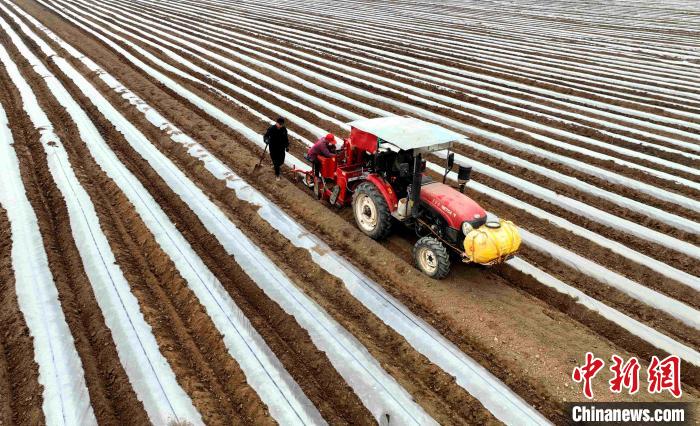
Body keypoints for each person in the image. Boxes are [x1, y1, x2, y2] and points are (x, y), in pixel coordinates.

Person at [263, 117, 289, 181]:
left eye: (281, 124)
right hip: (273, 147)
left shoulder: (284, 129)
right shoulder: (271, 129)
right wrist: (266, 140)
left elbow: (286, 139)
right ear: (276, 123)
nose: (280, 125)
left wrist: (287, 146)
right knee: (276, 162)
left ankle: (276, 166)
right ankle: (277, 175)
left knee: (281, 161)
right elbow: (266, 136)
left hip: (281, 148)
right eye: (279, 124)